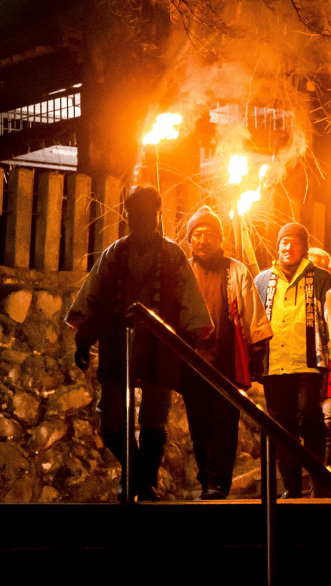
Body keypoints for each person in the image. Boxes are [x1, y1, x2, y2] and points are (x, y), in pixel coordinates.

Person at [66, 185, 213, 501]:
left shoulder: (173, 255)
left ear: (158, 215)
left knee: (153, 420)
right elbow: (92, 295)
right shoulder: (114, 253)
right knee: (111, 422)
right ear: (128, 215)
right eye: (135, 214)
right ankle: (137, 477)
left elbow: (190, 300)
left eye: (147, 214)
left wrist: (187, 340)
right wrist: (83, 339)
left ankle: (142, 484)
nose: (142, 220)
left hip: (161, 347)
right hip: (119, 345)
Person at [180, 207, 272, 499]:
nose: (202, 239)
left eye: (208, 234)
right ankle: (206, 476)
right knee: (198, 424)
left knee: (223, 424)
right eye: (197, 234)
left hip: (226, 362)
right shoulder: (181, 271)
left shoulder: (235, 270)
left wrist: (257, 354)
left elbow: (252, 314)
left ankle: (217, 482)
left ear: (219, 238)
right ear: (189, 240)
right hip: (192, 362)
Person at [253, 223, 331, 498]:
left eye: (294, 243)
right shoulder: (262, 280)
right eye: (284, 242)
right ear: (278, 246)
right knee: (281, 429)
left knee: (310, 418)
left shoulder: (321, 278)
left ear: (303, 247)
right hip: (274, 367)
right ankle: (291, 487)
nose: (288, 248)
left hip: (308, 364)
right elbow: (254, 320)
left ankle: (319, 482)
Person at [306, 246, 331, 473]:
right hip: (308, 367)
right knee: (313, 423)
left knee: (329, 423)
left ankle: (325, 470)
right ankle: (328, 470)